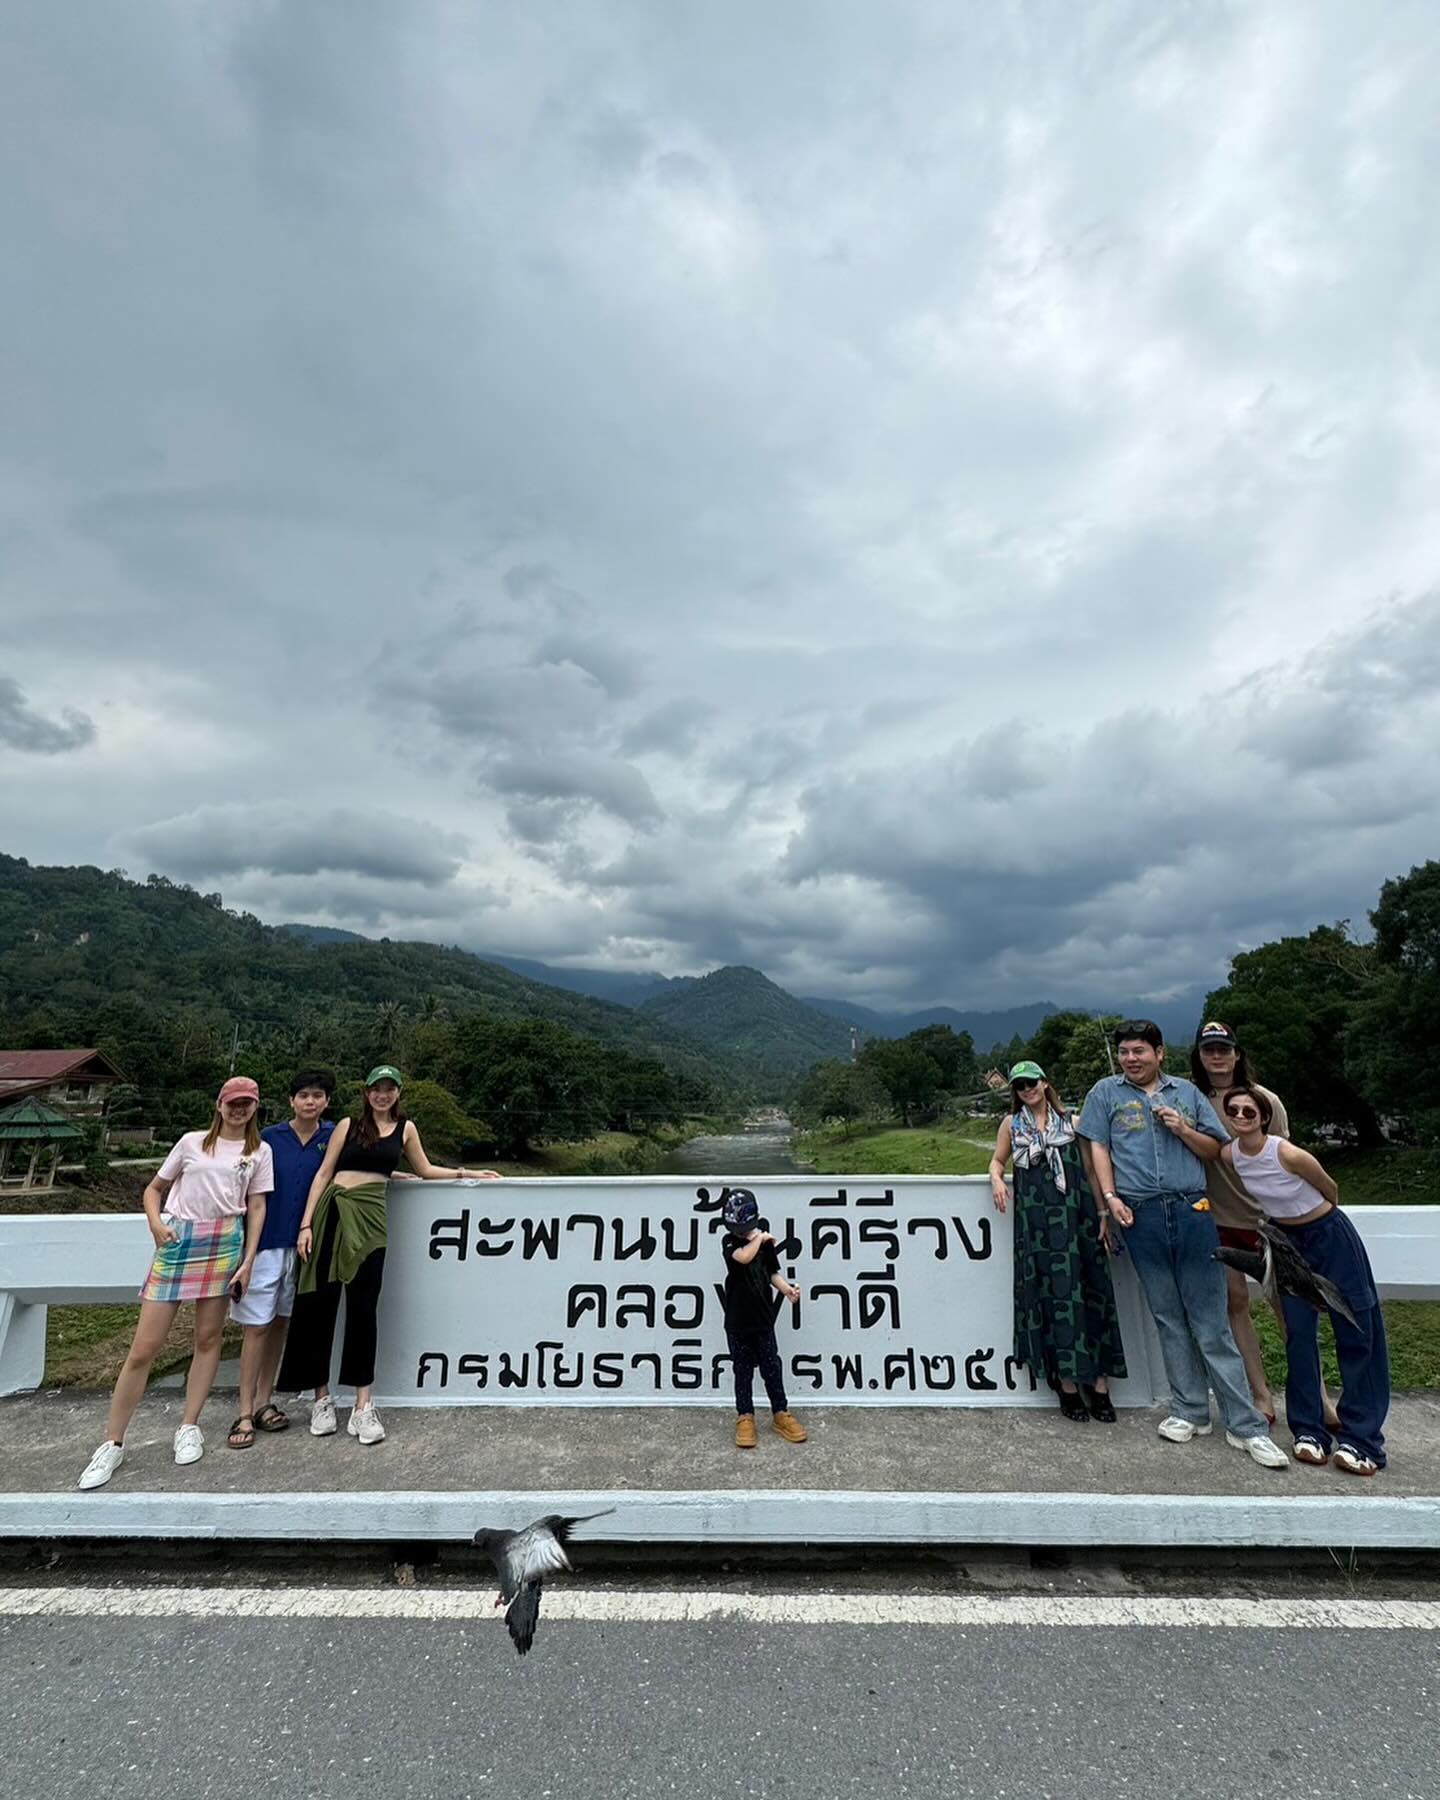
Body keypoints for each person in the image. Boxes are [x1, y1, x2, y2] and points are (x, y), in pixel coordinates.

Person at [1077, 1020, 1288, 1468]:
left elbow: (1216, 1148)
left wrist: (1181, 1130)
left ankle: (1245, 1424)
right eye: (1125, 1052)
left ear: (1159, 1054)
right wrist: (1110, 1200)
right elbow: (1098, 1149)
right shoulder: (1106, 1094)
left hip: (1193, 1209)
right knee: (1168, 1317)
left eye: (1140, 1051)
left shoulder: (1186, 1095)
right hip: (1138, 1213)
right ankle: (1190, 1410)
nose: (1131, 1059)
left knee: (1210, 1319)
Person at [277, 1065, 499, 1446]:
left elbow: (425, 1169)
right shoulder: (347, 1125)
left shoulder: (404, 1129)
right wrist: (306, 1224)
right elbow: (324, 1173)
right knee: (319, 1306)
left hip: (371, 1223)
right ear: (366, 1093)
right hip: (332, 1215)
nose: (382, 1095)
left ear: (398, 1093)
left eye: (389, 1089)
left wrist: (466, 1172)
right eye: (376, 1089)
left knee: (364, 1310)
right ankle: (322, 1399)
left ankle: (363, 1406)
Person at [77, 1078, 274, 1491]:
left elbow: (256, 1205)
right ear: (219, 1106)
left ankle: (189, 1425)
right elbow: (154, 1189)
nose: (240, 1110)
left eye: (247, 1104)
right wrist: (155, 1224)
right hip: (180, 1238)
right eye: (233, 1103)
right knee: (144, 1348)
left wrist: (249, 1259)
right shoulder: (191, 1143)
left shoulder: (259, 1151)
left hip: (226, 1241)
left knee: (207, 1339)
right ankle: (112, 1442)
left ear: (255, 1108)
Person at [1221, 1086, 1390, 1476]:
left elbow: (1329, 1190)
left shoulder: (1287, 1153)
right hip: (1284, 1243)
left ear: (1265, 1117)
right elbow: (1210, 1153)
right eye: (1234, 1111)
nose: (1242, 1116)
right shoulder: (1231, 1154)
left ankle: (1362, 1440)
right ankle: (1309, 1430)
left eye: (1251, 1111)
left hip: (1328, 1234)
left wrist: (1317, 1228)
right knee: (1297, 1333)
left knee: (1356, 1331)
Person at [989, 1060, 1126, 1422]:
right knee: (1051, 1296)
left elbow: (1090, 1170)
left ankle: (1099, 1385)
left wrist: (1102, 1214)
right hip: (1037, 1226)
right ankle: (1066, 1384)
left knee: (1091, 1291)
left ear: (1045, 1083)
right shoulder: (1011, 1124)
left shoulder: (1073, 1122)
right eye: (1020, 1086)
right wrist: (997, 1180)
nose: (1027, 1090)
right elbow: (997, 1160)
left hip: (1077, 1218)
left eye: (1032, 1083)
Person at [226, 1070, 335, 1450]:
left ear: (326, 1101)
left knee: (279, 1325)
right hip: (266, 1244)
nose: (310, 1101)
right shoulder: (268, 1139)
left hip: (305, 1248)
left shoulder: (332, 1136)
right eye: (303, 1094)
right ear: (291, 1100)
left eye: (317, 1095)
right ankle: (243, 1411)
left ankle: (263, 1401)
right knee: (256, 1327)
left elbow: (361, 1169)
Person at [719, 1187, 807, 1448]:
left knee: (772, 1368)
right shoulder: (730, 1242)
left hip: (763, 1320)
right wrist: (760, 1239)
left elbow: (772, 1274)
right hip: (737, 1322)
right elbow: (744, 1258)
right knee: (742, 1371)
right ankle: (745, 1417)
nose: (740, 1230)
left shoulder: (764, 1245)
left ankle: (781, 1413)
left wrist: (787, 1290)